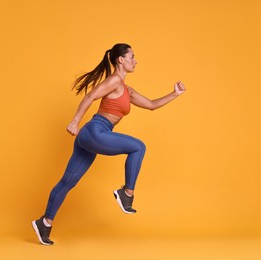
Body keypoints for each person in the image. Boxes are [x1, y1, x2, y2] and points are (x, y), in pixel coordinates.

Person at [32, 43, 186, 245]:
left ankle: (45, 222)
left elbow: (151, 105)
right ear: (121, 60)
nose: (135, 61)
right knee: (138, 146)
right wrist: (75, 121)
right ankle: (126, 193)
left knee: (67, 182)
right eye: (132, 57)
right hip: (94, 131)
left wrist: (174, 94)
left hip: (94, 136)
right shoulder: (114, 80)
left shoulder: (127, 90)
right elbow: (90, 96)